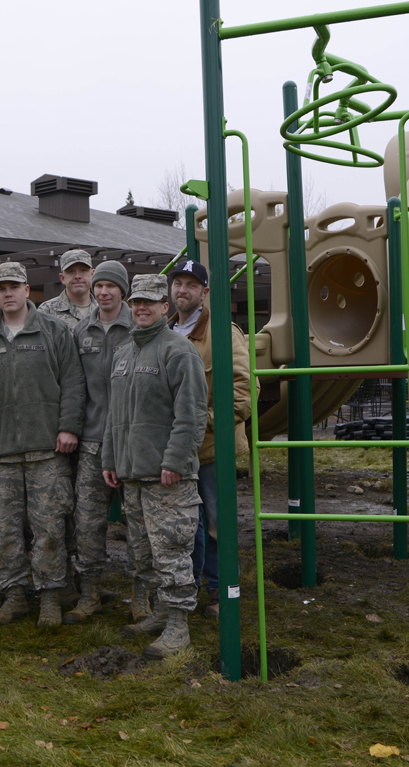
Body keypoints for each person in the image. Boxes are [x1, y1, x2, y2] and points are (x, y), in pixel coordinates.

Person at [0, 262, 85, 628]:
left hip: (47, 450)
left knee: (50, 529)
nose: (7, 293)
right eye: (1, 288)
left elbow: (73, 383)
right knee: (5, 530)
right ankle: (14, 595)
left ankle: (50, 597)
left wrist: (68, 427)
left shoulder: (54, 330)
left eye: (13, 286)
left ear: (27, 290)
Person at [102, 273, 208, 659]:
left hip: (167, 477)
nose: (141, 308)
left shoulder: (178, 351)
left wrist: (176, 460)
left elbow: (192, 413)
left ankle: (179, 626)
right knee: (143, 552)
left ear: (166, 307)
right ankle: (161, 612)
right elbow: (115, 414)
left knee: (172, 550)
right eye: (137, 302)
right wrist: (110, 458)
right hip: (132, 474)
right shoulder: (124, 353)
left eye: (150, 302)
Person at [168, 259, 252, 618]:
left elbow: (243, 391)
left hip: (211, 449)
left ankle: (222, 590)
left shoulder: (223, 333)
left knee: (217, 522)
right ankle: (188, 588)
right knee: (186, 526)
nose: (182, 290)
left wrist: (201, 424)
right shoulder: (165, 332)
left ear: (204, 293)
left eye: (191, 285)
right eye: (178, 283)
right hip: (175, 453)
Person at [63, 261, 133, 625]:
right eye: (100, 286)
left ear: (123, 291)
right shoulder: (82, 330)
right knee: (88, 522)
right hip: (92, 442)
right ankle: (89, 593)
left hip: (132, 442)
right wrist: (72, 428)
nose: (104, 292)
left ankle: (142, 598)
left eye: (111, 286)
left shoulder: (138, 327)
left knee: (138, 522)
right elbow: (74, 385)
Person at [39, 249, 96, 330]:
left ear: (92, 274)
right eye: (71, 271)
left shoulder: (103, 310)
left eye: (83, 270)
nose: (77, 276)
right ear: (62, 278)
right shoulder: (47, 311)